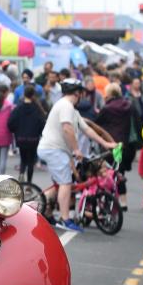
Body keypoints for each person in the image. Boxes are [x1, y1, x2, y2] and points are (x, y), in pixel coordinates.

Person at [36, 78, 117, 232]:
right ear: (78, 93)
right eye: (81, 93)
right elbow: (67, 128)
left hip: (55, 149)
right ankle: (65, 220)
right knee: (66, 183)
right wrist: (76, 150)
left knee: (59, 184)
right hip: (54, 149)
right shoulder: (66, 106)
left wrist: (106, 144)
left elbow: (87, 130)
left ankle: (47, 213)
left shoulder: (72, 109)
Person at [95, 83, 134, 209]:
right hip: (123, 145)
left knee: (107, 171)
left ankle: (109, 199)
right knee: (119, 171)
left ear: (110, 94)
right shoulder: (129, 106)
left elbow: (97, 124)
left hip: (109, 143)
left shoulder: (107, 108)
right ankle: (123, 201)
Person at [8, 85, 46, 183]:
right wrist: (39, 133)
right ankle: (29, 183)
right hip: (33, 138)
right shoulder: (37, 108)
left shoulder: (18, 108)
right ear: (33, 95)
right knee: (31, 162)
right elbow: (42, 123)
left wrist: (15, 131)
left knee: (23, 159)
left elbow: (10, 122)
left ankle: (21, 174)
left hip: (21, 138)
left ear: (24, 94)